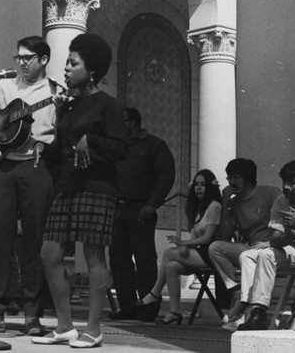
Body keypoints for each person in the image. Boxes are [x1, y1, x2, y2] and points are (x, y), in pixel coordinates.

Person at [31, 33, 128, 348]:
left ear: (93, 70)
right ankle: (64, 326)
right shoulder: (68, 107)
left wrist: (92, 142)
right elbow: (60, 149)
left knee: (94, 254)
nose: (67, 69)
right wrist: (41, 148)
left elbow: (122, 149)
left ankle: (94, 328)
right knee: (49, 253)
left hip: (98, 188)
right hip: (67, 187)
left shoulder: (109, 106)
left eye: (73, 63)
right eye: (67, 63)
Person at [0, 36, 58, 335]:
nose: (20, 63)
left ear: (43, 60)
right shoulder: (4, 87)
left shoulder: (55, 92)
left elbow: (62, 132)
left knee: (34, 239)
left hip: (35, 166)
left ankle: (33, 315)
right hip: (3, 165)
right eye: (18, 57)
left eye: (27, 58)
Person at [109, 107, 175, 321]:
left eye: (126, 121)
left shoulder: (154, 145)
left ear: (135, 122)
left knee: (144, 259)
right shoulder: (117, 147)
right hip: (117, 208)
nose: (122, 126)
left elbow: (165, 176)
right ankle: (127, 306)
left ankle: (148, 308)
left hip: (141, 209)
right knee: (119, 259)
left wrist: (152, 204)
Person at [137, 169, 222, 325]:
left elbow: (207, 237)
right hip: (199, 252)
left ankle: (155, 293)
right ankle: (174, 311)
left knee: (169, 252)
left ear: (210, 187)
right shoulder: (200, 207)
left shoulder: (215, 206)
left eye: (203, 184)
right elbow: (196, 233)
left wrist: (183, 243)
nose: (198, 188)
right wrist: (186, 247)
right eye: (196, 184)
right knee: (171, 267)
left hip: (212, 254)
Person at [208, 158, 281, 331]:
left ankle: (246, 308)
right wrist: (226, 204)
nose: (232, 182)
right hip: (250, 248)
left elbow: (283, 225)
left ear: (248, 178)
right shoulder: (233, 202)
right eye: (229, 177)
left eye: (236, 177)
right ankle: (235, 290)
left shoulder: (270, 193)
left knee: (247, 256)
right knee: (215, 247)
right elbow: (225, 236)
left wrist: (269, 242)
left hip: (274, 247)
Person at [234, 160, 295, 330]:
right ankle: (258, 311)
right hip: (294, 252)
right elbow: (276, 240)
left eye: (292, 183)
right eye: (284, 182)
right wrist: (290, 232)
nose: (286, 187)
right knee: (260, 255)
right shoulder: (281, 201)